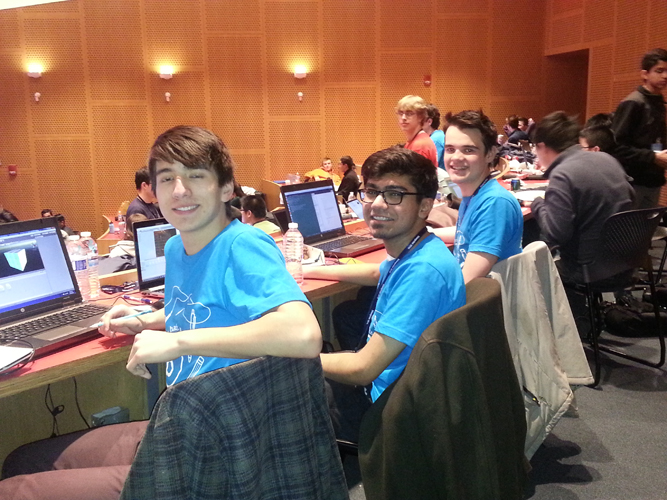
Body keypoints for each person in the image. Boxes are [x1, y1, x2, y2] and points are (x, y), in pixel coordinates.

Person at [0, 126, 323, 499]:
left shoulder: (243, 244)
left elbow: (304, 335)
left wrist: (175, 343)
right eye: (167, 178)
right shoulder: (175, 249)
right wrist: (139, 321)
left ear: (225, 188)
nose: (180, 191)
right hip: (181, 423)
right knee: (24, 458)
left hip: (216, 448)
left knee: (12, 489)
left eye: (196, 176)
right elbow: (198, 310)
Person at [303, 147, 465, 440]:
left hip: (389, 406)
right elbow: (377, 272)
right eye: (372, 191)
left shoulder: (422, 271)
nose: (377, 204)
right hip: (400, 384)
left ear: (425, 207)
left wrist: (292, 357)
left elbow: (363, 368)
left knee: (284, 390)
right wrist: (306, 270)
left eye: (394, 195)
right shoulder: (417, 250)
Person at [530, 111, 635, 283]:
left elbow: (555, 234)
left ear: (542, 146)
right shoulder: (607, 159)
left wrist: (538, 204)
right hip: (625, 261)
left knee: (524, 270)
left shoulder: (563, 174)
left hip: (588, 269)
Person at [432, 110, 523, 283]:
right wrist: (430, 233)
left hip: (483, 306)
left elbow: (468, 281)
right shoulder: (476, 194)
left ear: (490, 154)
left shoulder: (494, 203)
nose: (456, 158)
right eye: (450, 149)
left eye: (468, 150)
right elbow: (467, 234)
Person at [611, 48, 667, 208]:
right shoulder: (633, 103)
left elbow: (654, 141)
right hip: (633, 183)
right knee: (629, 232)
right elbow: (616, 148)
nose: (665, 76)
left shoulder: (658, 103)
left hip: (653, 180)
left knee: (646, 232)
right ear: (645, 74)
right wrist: (653, 157)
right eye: (659, 71)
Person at [395, 95, 438, 168]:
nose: (403, 118)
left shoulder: (419, 145)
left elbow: (415, 178)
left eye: (409, 113)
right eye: (401, 113)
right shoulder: (416, 140)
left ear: (420, 117)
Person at [424, 104, 446, 170]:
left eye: (420, 119)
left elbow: (430, 168)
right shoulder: (439, 135)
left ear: (429, 121)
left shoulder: (435, 139)